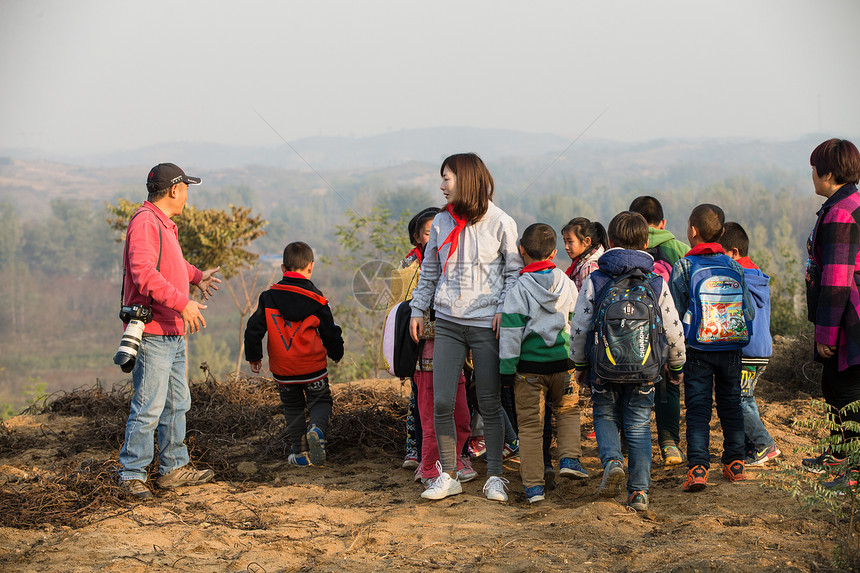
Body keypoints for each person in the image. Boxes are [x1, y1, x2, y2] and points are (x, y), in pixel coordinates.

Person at [409, 152, 522, 501]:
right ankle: (448, 474)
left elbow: (513, 273)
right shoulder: (441, 222)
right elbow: (429, 271)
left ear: (467, 179)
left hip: (486, 324)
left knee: (489, 401)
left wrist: (504, 308)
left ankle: (497, 478)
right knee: (442, 400)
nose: (442, 186)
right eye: (442, 178)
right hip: (447, 322)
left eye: (447, 178)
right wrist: (417, 309)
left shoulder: (502, 221)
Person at [118, 163, 222, 500]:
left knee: (178, 402)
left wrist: (197, 276)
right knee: (148, 406)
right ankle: (132, 475)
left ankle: (174, 468)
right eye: (187, 188)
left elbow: (171, 263)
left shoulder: (161, 223)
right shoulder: (145, 222)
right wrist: (183, 302)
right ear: (175, 190)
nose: (188, 195)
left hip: (171, 331)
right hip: (155, 330)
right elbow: (144, 273)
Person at [570, 211, 685, 511]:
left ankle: (612, 461)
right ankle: (639, 492)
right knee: (638, 427)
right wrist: (676, 365)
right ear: (646, 242)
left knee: (605, 416)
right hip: (645, 371)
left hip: (603, 369)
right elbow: (673, 329)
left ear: (609, 242)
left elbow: (580, 325)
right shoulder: (656, 281)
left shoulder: (596, 278)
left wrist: (580, 364)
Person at [669, 204, 754, 492]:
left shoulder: (684, 266)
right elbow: (749, 312)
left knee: (698, 409)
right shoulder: (733, 266)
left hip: (697, 350)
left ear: (692, 231)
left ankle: (698, 468)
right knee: (731, 404)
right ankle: (735, 463)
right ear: (722, 233)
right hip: (731, 348)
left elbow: (674, 313)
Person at [500, 223, 587, 504]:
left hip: (528, 370)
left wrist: (506, 370)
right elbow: (577, 322)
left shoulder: (518, 289)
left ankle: (534, 487)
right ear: (553, 252)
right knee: (569, 411)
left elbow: (511, 333)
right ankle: (570, 459)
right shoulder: (566, 281)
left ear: (521, 250)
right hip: (564, 364)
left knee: (529, 427)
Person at [244, 242, 344, 467]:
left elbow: (253, 329)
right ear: (311, 267)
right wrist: (336, 353)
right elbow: (330, 331)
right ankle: (317, 429)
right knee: (320, 400)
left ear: (282, 268)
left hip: (283, 370)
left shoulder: (268, 297)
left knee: (293, 407)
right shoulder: (318, 300)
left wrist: (254, 357)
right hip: (313, 368)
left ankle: (299, 454)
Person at [403, 208, 476, 486]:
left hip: (454, 357)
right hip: (428, 359)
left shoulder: (455, 269)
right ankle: (431, 468)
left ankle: (455, 459)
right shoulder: (415, 271)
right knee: (431, 416)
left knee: (460, 414)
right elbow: (411, 321)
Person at [802, 138, 860, 490]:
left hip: (847, 315)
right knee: (833, 384)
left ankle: (853, 470)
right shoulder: (848, 203)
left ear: (828, 173)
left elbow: (837, 277)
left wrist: (826, 335)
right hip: (847, 311)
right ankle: (839, 454)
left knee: (847, 391)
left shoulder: (840, 212)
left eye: (813, 170)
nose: (811, 177)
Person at [629, 195, 691, 466]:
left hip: (630, 333)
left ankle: (627, 444)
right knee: (670, 386)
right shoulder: (679, 248)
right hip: (667, 330)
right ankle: (669, 444)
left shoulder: (624, 249)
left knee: (630, 388)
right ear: (663, 222)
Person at [718, 222, 781, 467]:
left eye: (721, 252)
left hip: (747, 350)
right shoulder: (758, 275)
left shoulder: (738, 277)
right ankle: (751, 446)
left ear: (733, 252)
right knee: (745, 397)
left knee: (739, 399)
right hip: (761, 349)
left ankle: (765, 444)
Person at [561, 217, 608, 290]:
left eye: (570, 241)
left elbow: (590, 299)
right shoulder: (581, 263)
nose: (566, 247)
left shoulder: (589, 267)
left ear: (586, 241)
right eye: (565, 242)